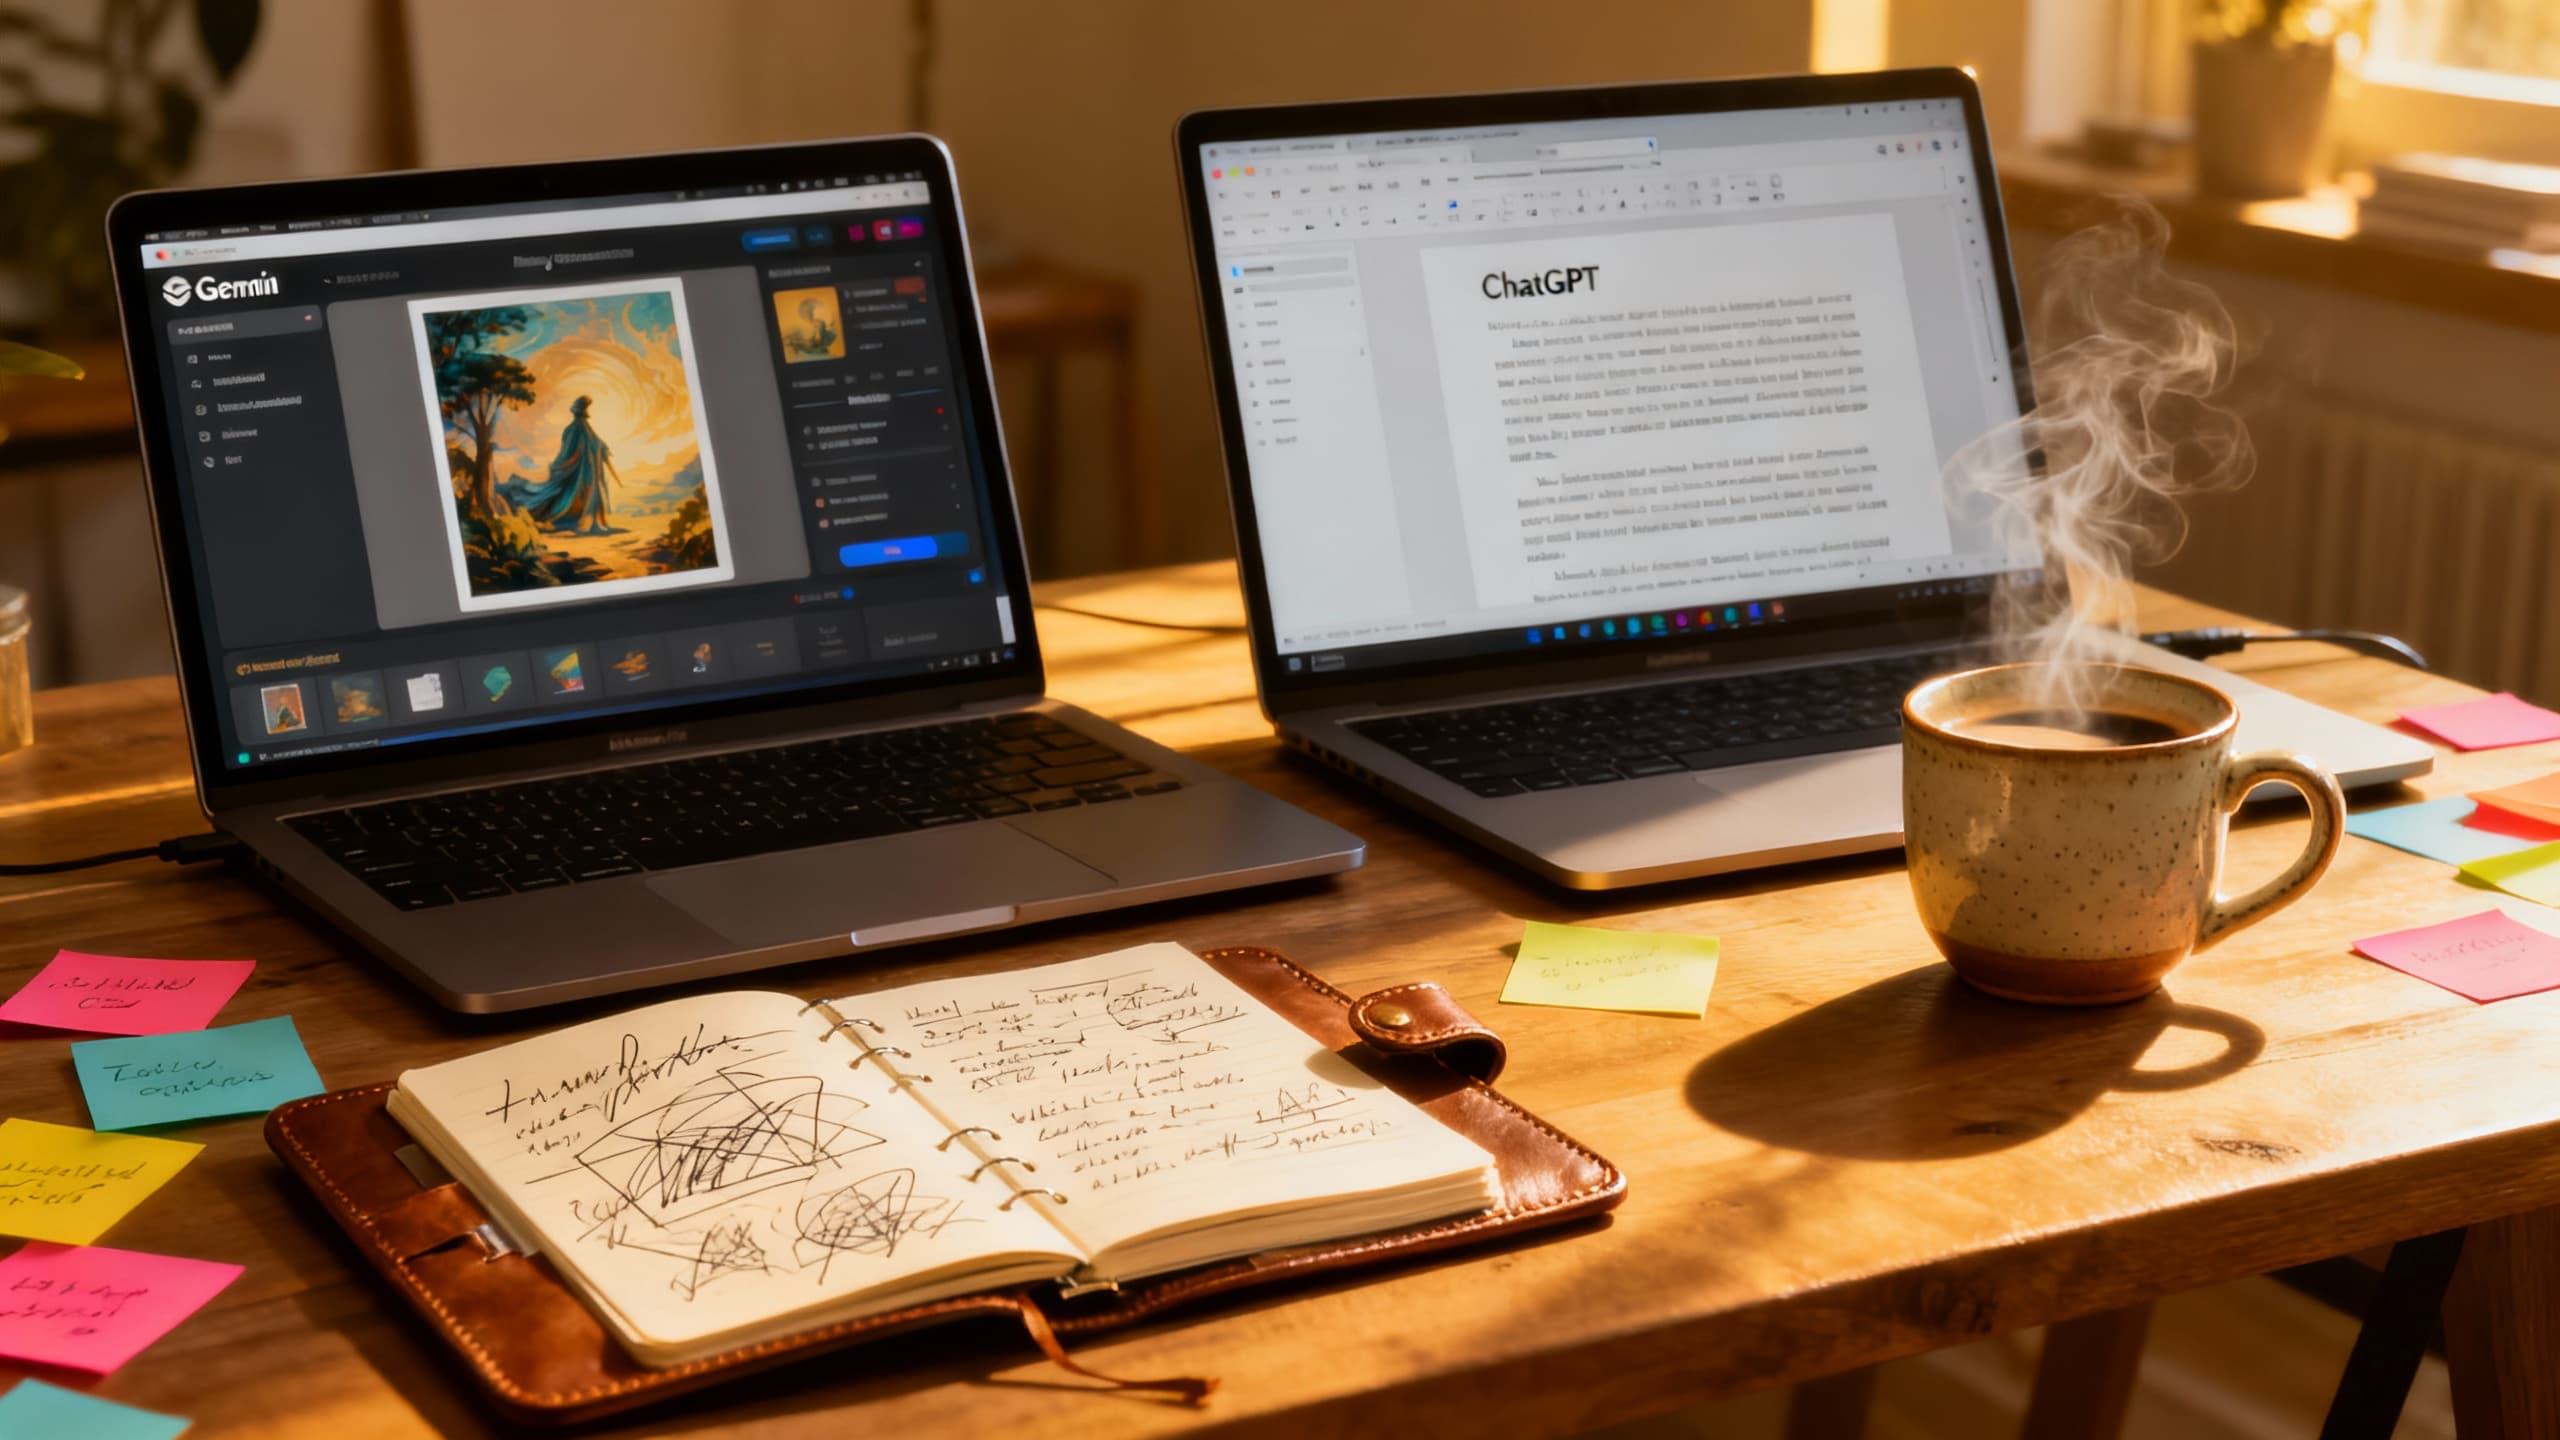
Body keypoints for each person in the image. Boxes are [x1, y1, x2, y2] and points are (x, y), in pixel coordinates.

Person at [517, 395, 619, 532]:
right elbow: (574, 452)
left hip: (587, 473)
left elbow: (590, 448)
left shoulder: (582, 430)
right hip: (582, 473)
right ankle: (586, 522)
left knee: (589, 496)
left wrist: (560, 465)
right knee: (573, 496)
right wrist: (560, 466)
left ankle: (595, 522)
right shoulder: (576, 430)